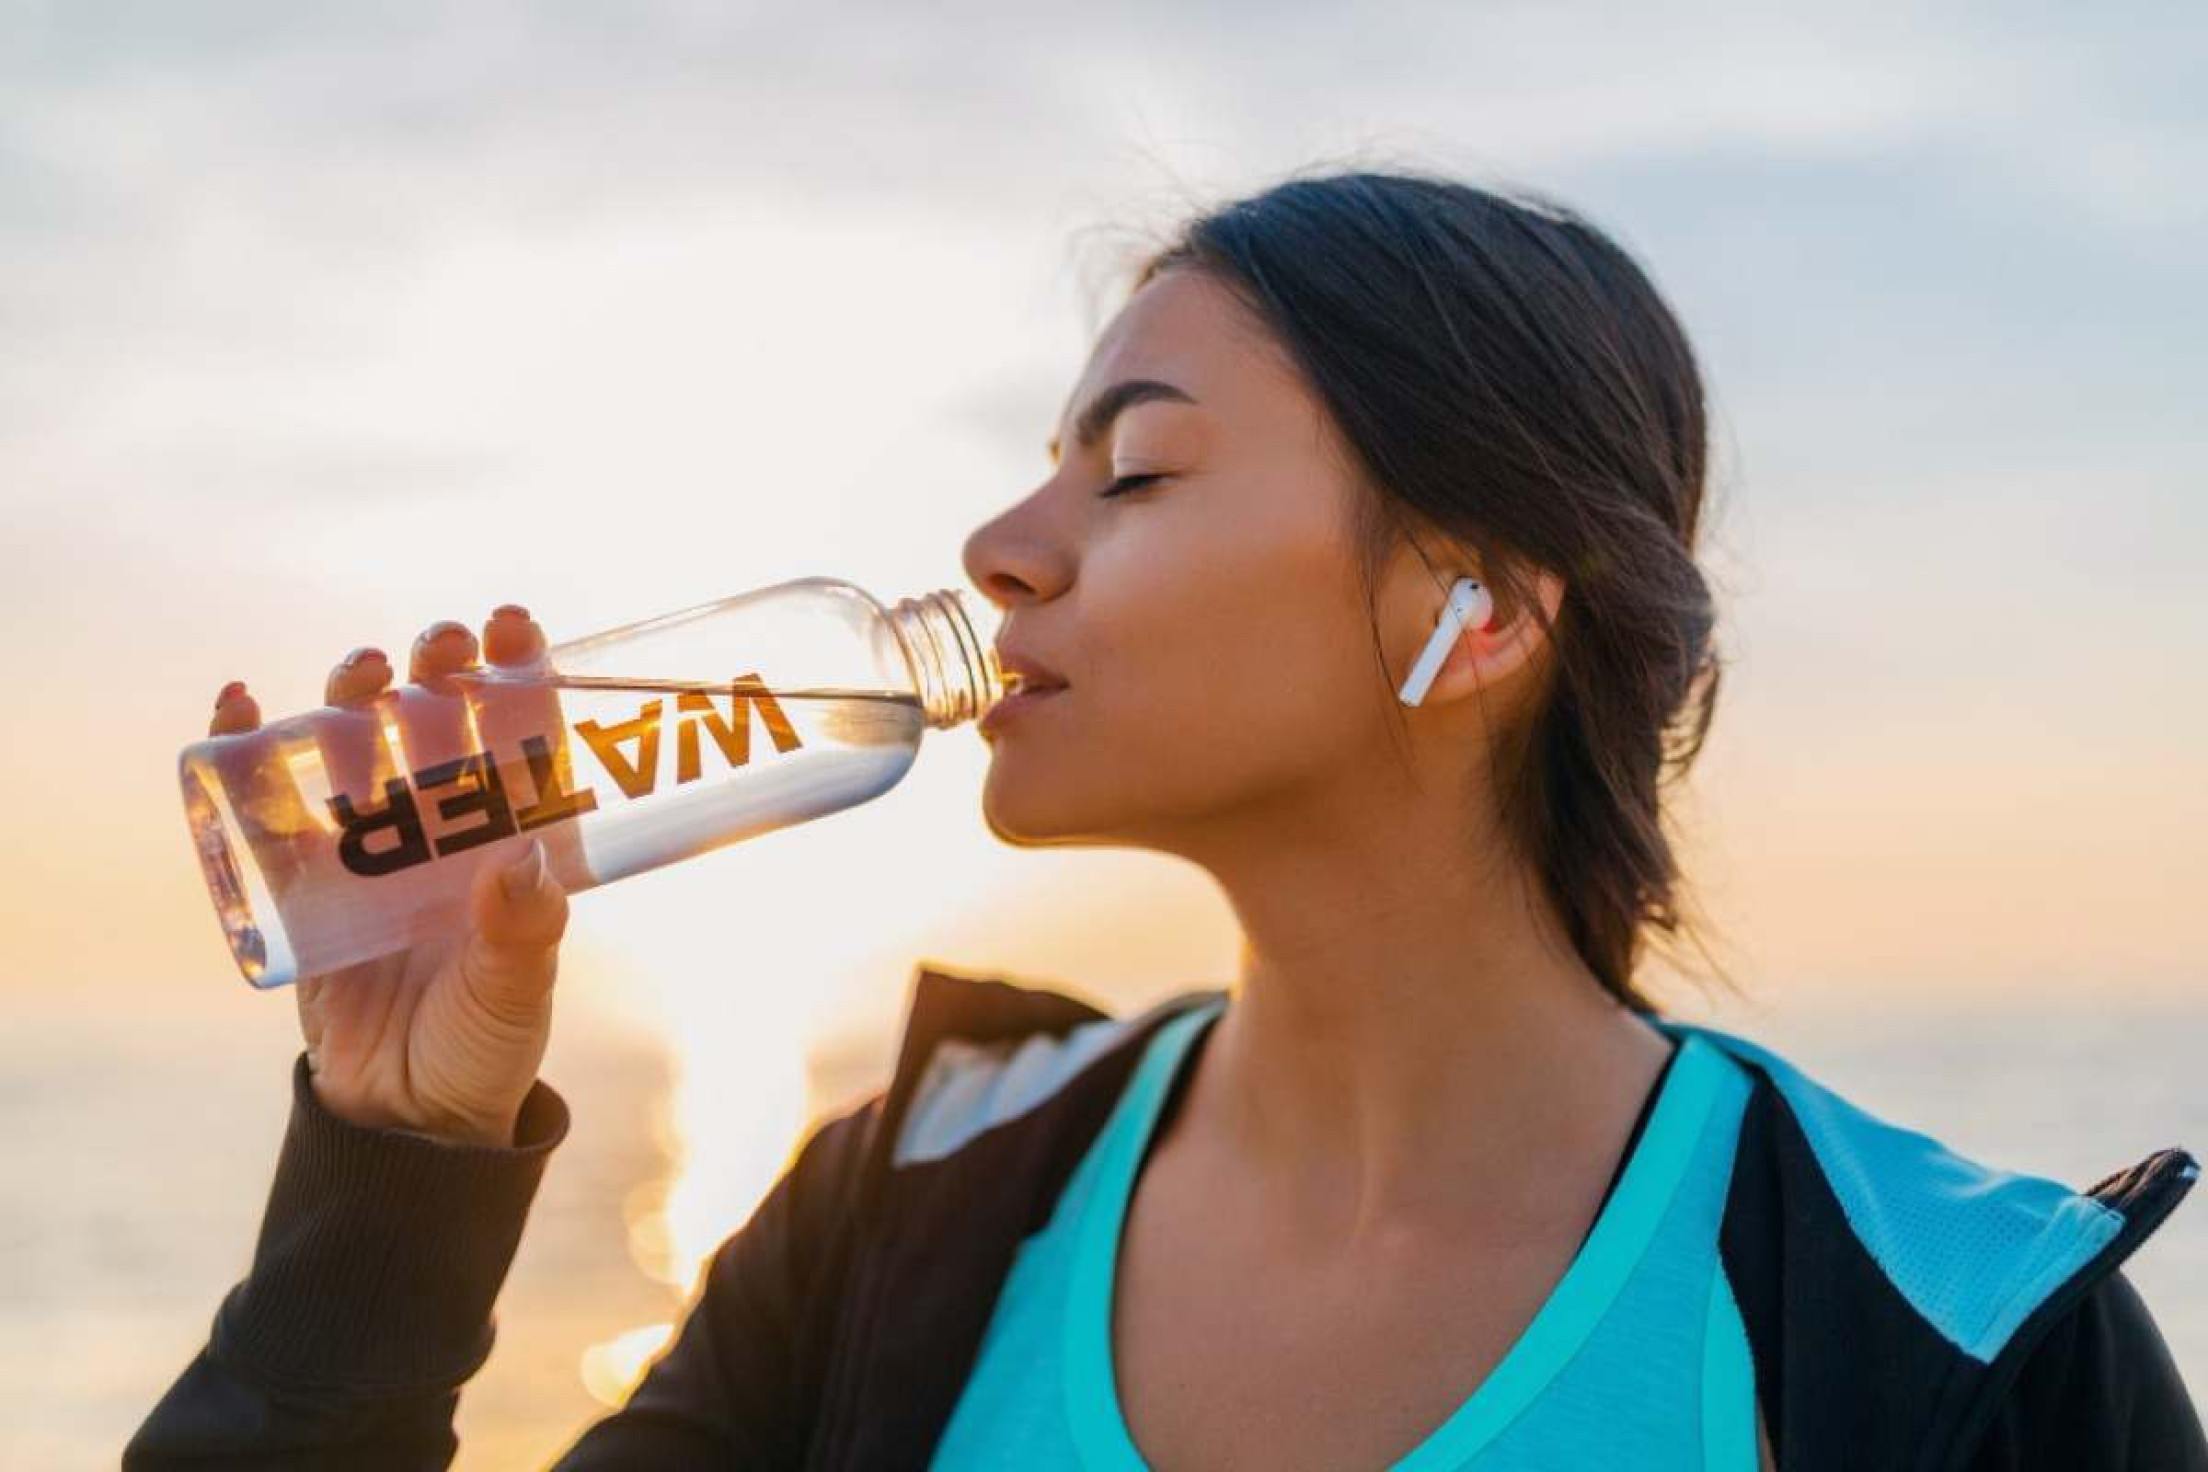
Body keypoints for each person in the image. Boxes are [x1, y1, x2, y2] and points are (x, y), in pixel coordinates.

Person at [126, 168, 2205, 1471]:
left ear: (1470, 607)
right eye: (1044, 465)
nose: (1003, 547)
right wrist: (393, 1170)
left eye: (1132, 472)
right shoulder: (906, 1213)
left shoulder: (1942, 1332)